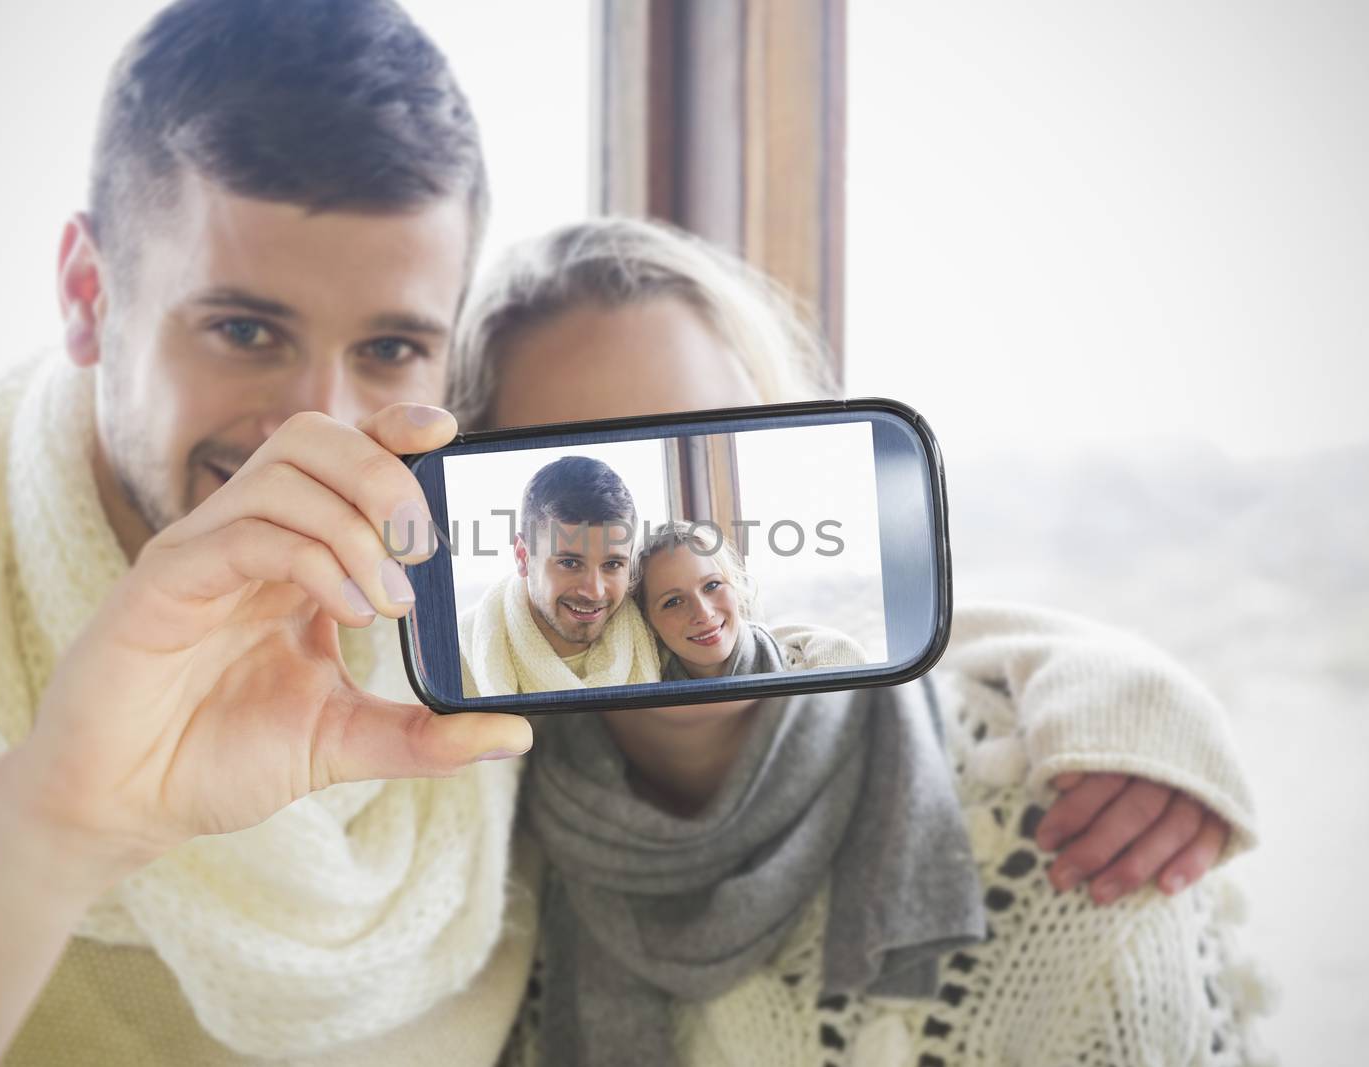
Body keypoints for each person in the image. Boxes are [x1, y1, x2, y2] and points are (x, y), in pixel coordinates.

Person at [0, 2, 536, 1064]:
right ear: (87, 294)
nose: (314, 425)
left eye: (389, 347)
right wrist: (63, 805)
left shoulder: (495, 664)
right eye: (244, 330)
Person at [446, 217, 1272, 1063]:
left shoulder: (1072, 836)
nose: (651, 564)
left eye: (699, 442)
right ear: (520, 557)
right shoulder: (466, 854)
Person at [460, 455, 660, 695]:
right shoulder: (454, 654)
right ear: (523, 556)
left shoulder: (662, 639)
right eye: (569, 562)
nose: (594, 591)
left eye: (613, 564)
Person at [632, 519, 868, 680]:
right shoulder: (640, 701)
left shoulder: (819, 665)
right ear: (647, 622)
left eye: (712, 585)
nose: (703, 613)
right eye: (673, 601)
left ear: (734, 586)